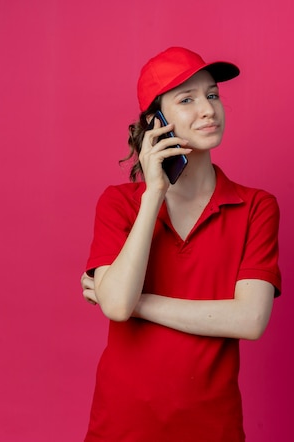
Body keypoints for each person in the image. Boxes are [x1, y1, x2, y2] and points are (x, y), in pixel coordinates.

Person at [80, 47, 282, 442]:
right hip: (123, 427)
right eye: (186, 99)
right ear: (156, 122)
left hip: (212, 428)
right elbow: (116, 306)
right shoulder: (118, 204)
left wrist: (138, 303)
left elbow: (250, 320)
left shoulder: (257, 206)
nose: (208, 110)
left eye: (212, 95)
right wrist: (154, 192)